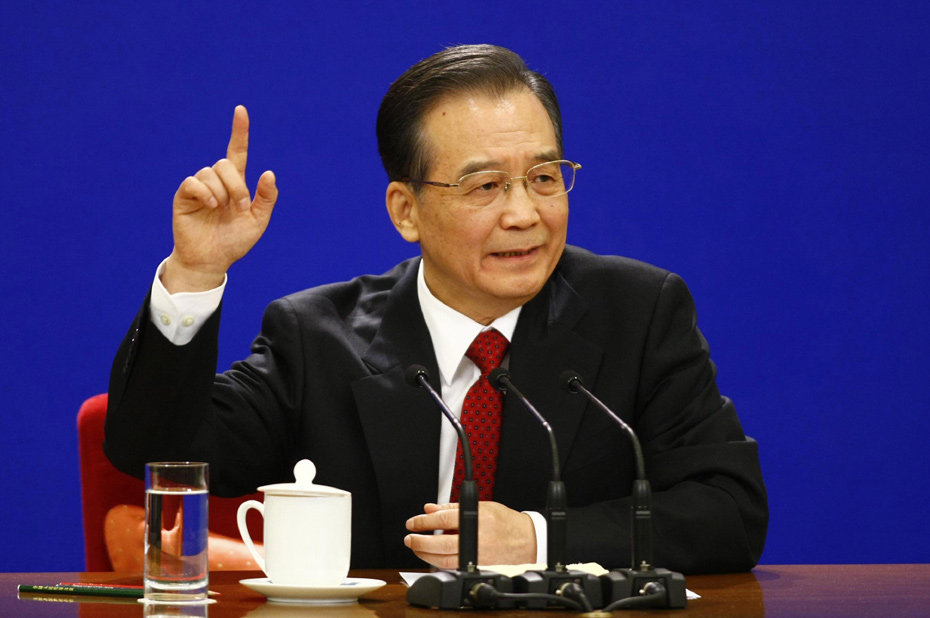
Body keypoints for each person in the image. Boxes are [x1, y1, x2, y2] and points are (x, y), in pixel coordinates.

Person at [105, 44, 767, 573]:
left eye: (543, 178)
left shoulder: (638, 314)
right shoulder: (316, 339)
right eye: (485, 186)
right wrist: (195, 273)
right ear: (406, 211)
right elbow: (159, 451)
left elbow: (729, 511)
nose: (524, 213)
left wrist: (537, 538)